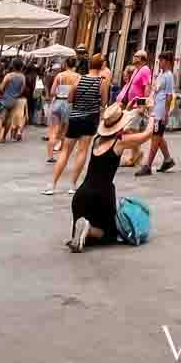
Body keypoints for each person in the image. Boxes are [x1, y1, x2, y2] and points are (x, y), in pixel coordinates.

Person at [68, 104, 154, 251]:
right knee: (110, 235)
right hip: (102, 195)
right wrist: (152, 115)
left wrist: (133, 109)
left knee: (89, 239)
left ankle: (83, 228)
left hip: (81, 195)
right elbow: (147, 135)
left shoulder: (96, 139)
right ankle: (88, 229)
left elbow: (118, 123)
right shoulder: (119, 142)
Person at [47, 54, 107, 196]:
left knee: (65, 151)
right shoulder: (102, 82)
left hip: (75, 118)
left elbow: (69, 98)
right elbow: (103, 102)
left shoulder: (80, 78)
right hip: (90, 119)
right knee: (82, 151)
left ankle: (52, 184)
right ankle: (72, 185)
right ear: (101, 65)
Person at [138, 51, 179, 176]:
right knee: (157, 135)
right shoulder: (161, 74)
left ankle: (148, 165)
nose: (159, 63)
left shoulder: (169, 76)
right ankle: (167, 159)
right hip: (156, 108)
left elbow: (169, 96)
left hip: (161, 110)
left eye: (161, 60)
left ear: (166, 61)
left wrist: (166, 113)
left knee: (156, 136)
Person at [45, 57, 78, 165]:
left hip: (58, 102)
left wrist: (60, 92)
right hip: (69, 104)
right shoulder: (78, 77)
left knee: (53, 131)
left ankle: (50, 156)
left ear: (65, 64)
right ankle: (62, 154)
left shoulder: (59, 76)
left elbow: (52, 92)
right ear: (75, 65)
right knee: (65, 131)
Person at [0, 60, 27, 143]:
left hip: (5, 99)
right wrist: (16, 95)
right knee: (9, 119)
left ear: (13, 66)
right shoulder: (22, 77)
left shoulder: (9, 76)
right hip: (14, 100)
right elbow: (22, 89)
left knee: (0, 118)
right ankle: (3, 137)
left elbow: (2, 87)